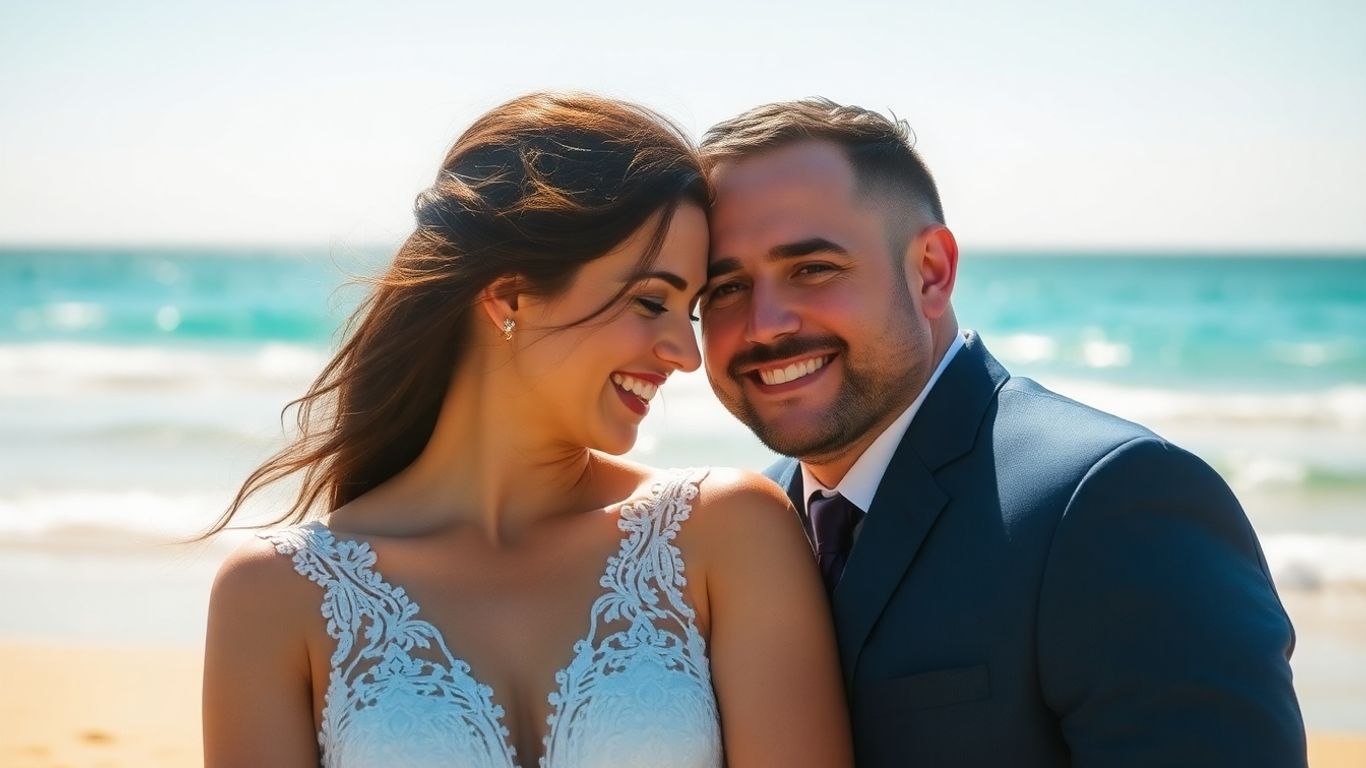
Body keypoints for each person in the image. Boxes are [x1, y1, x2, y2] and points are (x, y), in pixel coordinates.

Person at [201, 93, 853, 768]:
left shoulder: (727, 532)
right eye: (651, 301)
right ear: (509, 296)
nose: (685, 355)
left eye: (688, 313)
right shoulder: (276, 593)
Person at [696, 98, 1307, 766]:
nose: (765, 324)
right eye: (724, 289)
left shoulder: (1111, 502)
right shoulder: (754, 526)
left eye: (812, 269)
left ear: (931, 271)